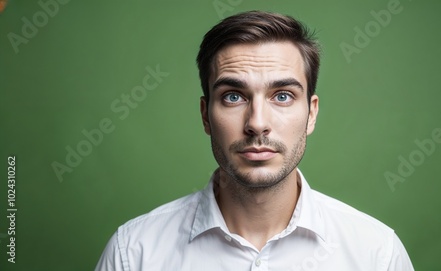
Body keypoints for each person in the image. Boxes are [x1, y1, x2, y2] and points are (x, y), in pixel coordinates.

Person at [95, 10, 414, 270]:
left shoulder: (376, 254)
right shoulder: (133, 254)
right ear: (206, 115)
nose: (257, 124)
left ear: (311, 114)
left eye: (283, 96)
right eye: (233, 96)